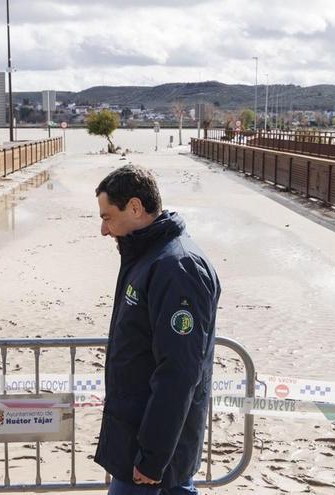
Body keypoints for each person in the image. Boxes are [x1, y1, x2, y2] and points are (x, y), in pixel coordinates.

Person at [93, 165, 221, 495]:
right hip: (137, 442)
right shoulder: (146, 257)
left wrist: (153, 457)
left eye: (108, 217)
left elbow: (178, 371)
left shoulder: (177, 268)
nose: (104, 230)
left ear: (135, 208)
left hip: (151, 458)